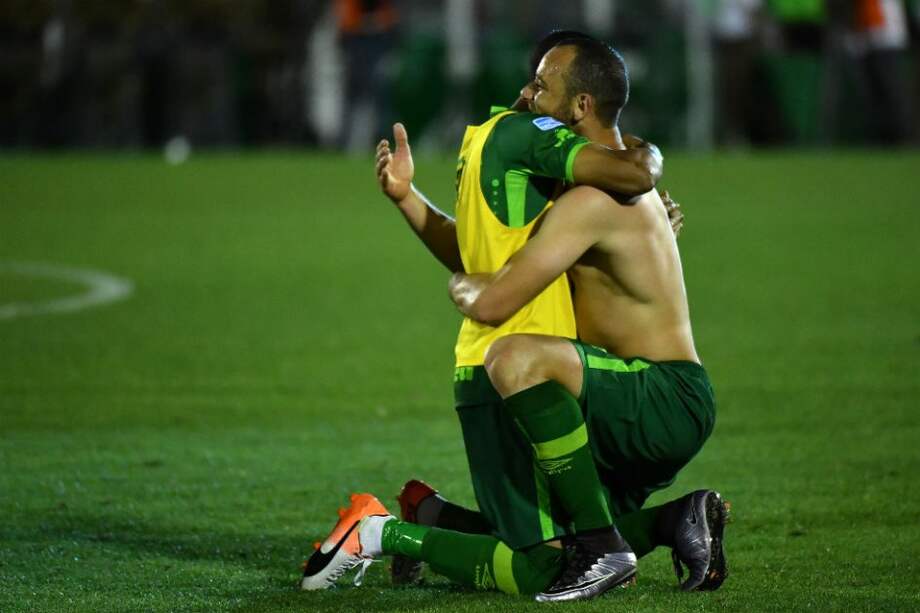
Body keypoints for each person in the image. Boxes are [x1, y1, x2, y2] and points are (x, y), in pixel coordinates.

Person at [302, 35, 724, 601]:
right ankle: (676, 521)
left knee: (514, 356)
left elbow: (494, 298)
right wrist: (409, 200)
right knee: (537, 539)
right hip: (619, 391)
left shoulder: (592, 200)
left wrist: (467, 288)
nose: (526, 95)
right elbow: (490, 254)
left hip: (659, 395)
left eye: (541, 85)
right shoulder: (583, 188)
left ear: (579, 108)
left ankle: (385, 535)